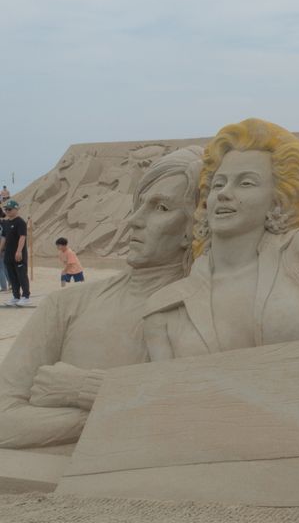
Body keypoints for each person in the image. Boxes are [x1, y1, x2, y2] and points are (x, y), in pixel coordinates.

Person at [142, 119, 299, 378]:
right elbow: (165, 396)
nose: (225, 193)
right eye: (219, 184)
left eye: (246, 183)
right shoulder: (165, 308)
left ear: (278, 197)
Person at [0, 147, 203, 448]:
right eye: (139, 204)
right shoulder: (66, 305)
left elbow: (201, 419)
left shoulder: (208, 314)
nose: (135, 220)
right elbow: (5, 421)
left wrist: (94, 393)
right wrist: (119, 409)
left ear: (195, 228)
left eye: (161, 208)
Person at [1, 200, 30, 306]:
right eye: (6, 209)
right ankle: (16, 296)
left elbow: (22, 237)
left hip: (18, 253)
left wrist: (19, 251)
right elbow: (4, 237)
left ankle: (26, 296)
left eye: (9, 209)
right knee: (12, 277)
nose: (7, 211)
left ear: (16, 209)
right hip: (8, 254)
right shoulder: (6, 223)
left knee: (21, 275)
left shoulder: (20, 222)